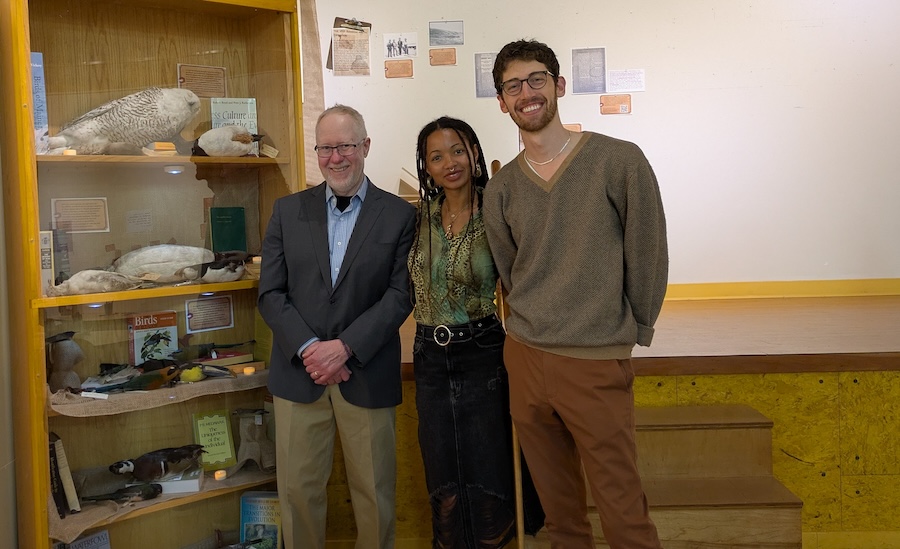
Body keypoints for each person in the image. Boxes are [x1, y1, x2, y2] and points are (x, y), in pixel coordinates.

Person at [483, 39, 669, 549]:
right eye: (513, 86)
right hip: (524, 356)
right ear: (502, 101)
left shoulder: (618, 161)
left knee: (624, 513)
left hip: (594, 359)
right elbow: (509, 270)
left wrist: (635, 328)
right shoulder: (501, 190)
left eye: (537, 79)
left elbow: (648, 249)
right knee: (561, 518)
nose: (527, 93)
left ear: (559, 85)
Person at [258, 104, 416, 549]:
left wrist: (344, 348)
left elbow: (401, 295)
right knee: (298, 496)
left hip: (365, 373)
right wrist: (312, 348)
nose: (336, 157)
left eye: (345, 145)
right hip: (299, 374)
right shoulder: (287, 212)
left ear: (365, 147)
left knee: (375, 495)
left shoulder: (400, 216)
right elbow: (271, 294)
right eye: (326, 148)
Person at [408, 116, 544, 548]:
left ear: (475, 153)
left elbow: (526, 275)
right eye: (436, 155)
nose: (450, 162)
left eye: (458, 150)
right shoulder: (417, 217)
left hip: (483, 351)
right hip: (429, 357)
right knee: (443, 479)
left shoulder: (499, 207)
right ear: (425, 167)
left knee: (489, 477)